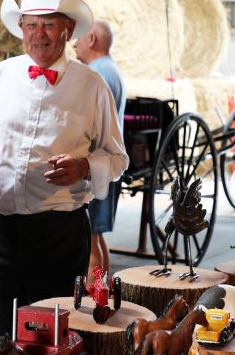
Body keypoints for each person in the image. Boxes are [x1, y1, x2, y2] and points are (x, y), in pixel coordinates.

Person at [0, 0, 129, 342]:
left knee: (53, 338)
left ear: (68, 30)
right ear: (21, 30)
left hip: (59, 234)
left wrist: (86, 168)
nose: (39, 34)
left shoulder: (91, 86)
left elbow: (118, 158)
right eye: (31, 24)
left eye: (48, 24)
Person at [73, 20, 126, 285]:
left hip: (94, 164)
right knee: (96, 235)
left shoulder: (96, 74)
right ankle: (102, 290)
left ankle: (95, 298)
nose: (74, 43)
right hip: (105, 163)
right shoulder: (110, 69)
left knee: (88, 238)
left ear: (92, 39)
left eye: (79, 38)